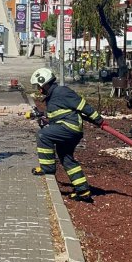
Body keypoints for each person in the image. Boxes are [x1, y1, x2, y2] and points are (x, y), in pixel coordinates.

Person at [29, 67, 105, 202]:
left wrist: (98, 119)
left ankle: (47, 168)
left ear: (44, 83)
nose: (38, 89)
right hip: (65, 127)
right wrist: (45, 118)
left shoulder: (62, 91)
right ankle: (83, 190)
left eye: (38, 86)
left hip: (70, 127)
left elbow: (82, 105)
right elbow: (56, 114)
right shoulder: (52, 97)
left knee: (43, 135)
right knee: (66, 158)